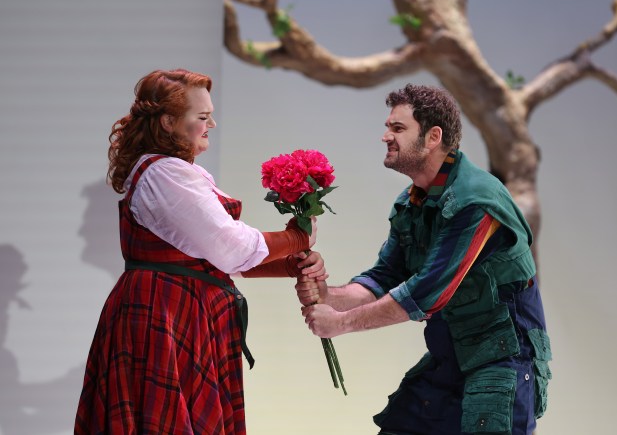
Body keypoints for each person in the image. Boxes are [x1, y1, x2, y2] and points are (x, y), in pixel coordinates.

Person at [74, 68, 327, 434]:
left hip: (180, 311)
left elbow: (208, 256)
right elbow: (230, 247)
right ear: (168, 122)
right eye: (203, 117)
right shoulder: (165, 174)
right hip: (165, 313)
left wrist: (289, 264)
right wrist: (298, 238)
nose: (212, 124)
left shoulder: (173, 172)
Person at [296, 85, 552, 435]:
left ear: (433, 137)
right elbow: (385, 276)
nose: (385, 136)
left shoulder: (475, 200)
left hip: (501, 362)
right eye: (388, 127)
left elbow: (428, 293)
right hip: (451, 359)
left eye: (397, 129)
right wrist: (327, 296)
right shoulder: (412, 202)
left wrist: (340, 324)